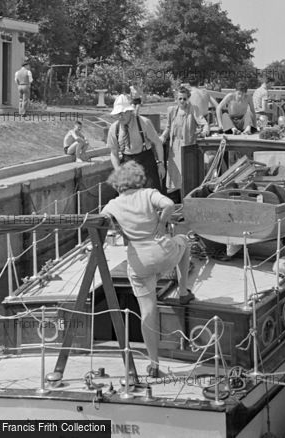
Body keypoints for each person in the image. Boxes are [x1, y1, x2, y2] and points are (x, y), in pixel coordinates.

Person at [101, 161, 194, 378]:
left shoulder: (113, 204)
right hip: (163, 253)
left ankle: (153, 363)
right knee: (184, 240)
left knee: (147, 311)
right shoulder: (148, 194)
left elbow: (103, 221)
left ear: (118, 183)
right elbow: (170, 204)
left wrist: (121, 229)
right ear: (138, 179)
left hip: (139, 261)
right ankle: (182, 292)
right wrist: (161, 223)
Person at [107, 94, 166, 193]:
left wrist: (161, 164)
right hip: (127, 162)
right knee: (129, 197)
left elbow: (157, 143)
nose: (121, 116)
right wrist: (118, 171)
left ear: (130, 112)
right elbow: (113, 152)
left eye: (124, 113)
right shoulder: (114, 129)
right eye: (118, 114)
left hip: (146, 161)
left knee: (151, 194)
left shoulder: (144, 123)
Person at [160, 86, 209, 193]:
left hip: (188, 145)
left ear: (188, 99)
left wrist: (204, 131)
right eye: (180, 98)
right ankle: (177, 196)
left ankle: (187, 195)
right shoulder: (171, 111)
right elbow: (168, 127)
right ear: (176, 99)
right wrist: (163, 137)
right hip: (175, 146)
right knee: (175, 175)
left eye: (184, 99)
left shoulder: (193, 109)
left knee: (187, 174)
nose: (182, 101)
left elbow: (204, 123)